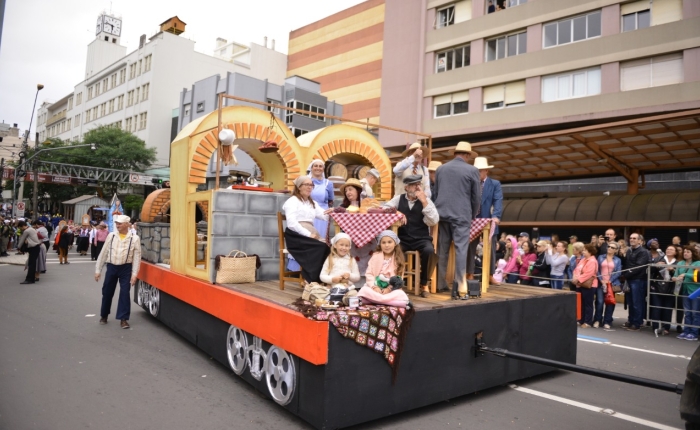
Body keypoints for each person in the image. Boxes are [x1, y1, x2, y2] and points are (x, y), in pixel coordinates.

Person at [434, 141, 480, 300]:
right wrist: (473, 214)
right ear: (467, 155)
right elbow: (476, 197)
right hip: (461, 214)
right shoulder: (472, 170)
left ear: (455, 153)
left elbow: (435, 193)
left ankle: (439, 283)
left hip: (442, 212)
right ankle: (461, 287)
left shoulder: (441, 169)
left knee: (442, 248)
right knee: (461, 250)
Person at [382, 174, 439, 297]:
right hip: (403, 238)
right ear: (406, 187)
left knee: (429, 251)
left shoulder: (426, 200)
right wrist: (396, 212)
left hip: (421, 238)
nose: (417, 188)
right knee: (392, 250)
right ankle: (395, 283)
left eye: (418, 184)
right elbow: (384, 208)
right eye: (413, 185)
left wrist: (424, 202)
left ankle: (424, 284)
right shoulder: (398, 199)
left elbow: (434, 220)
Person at [95, 214, 142, 329]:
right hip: (111, 266)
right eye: (116, 223)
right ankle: (104, 315)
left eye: (120, 223)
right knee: (107, 292)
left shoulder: (134, 238)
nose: (117, 225)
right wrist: (98, 270)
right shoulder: (111, 236)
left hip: (126, 268)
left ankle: (123, 318)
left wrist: (135, 274)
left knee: (125, 293)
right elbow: (103, 253)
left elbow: (137, 257)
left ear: (127, 224)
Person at [282, 176, 332, 284]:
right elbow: (292, 224)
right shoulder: (292, 201)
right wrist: (308, 234)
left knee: (329, 247)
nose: (310, 187)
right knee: (321, 247)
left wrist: (333, 212)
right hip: (295, 235)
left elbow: (324, 216)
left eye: (311, 185)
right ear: (299, 187)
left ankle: (317, 278)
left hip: (308, 233)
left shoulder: (312, 203)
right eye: (307, 185)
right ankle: (311, 279)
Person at [467, 157, 503, 285]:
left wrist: (496, 216)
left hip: (489, 219)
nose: (477, 174)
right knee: (470, 247)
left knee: (491, 247)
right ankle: (469, 273)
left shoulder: (495, 184)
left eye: (479, 171)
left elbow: (498, 201)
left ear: (486, 171)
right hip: (473, 220)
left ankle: (489, 275)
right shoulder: (471, 183)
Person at [358, 231, 410, 307]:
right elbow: (369, 274)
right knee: (364, 290)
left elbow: (399, 278)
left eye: (389, 242)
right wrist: (374, 287)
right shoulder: (375, 256)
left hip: (390, 289)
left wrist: (389, 289)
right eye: (384, 243)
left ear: (395, 243)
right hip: (376, 287)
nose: (386, 245)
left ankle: (373, 301)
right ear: (380, 244)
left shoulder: (398, 258)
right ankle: (388, 302)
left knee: (400, 294)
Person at [621, 233, 650, 332]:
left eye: (634, 238)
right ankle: (631, 320)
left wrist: (625, 275)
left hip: (638, 279)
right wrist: (625, 274)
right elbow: (627, 264)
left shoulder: (643, 252)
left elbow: (638, 267)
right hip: (629, 279)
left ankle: (637, 323)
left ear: (639, 241)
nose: (632, 239)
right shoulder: (629, 250)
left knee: (637, 302)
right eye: (631, 238)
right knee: (630, 302)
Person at [649, 245, 678, 335]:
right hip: (657, 286)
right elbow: (650, 271)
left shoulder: (678, 262)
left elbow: (679, 274)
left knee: (667, 309)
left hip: (671, 288)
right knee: (656, 307)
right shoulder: (659, 259)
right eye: (667, 249)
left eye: (671, 249)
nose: (669, 250)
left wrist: (673, 270)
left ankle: (666, 328)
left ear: (675, 252)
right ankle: (655, 327)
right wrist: (656, 266)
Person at [674, 246, 700, 341]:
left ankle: (694, 332)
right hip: (684, 290)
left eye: (688, 252)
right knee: (687, 312)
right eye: (684, 252)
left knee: (695, 313)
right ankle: (686, 330)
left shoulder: (698, 263)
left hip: (695, 291)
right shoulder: (680, 263)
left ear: (693, 253)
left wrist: (686, 275)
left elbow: (698, 276)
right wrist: (676, 278)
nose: (685, 253)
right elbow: (675, 275)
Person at [595, 240, 622, 329]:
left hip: (612, 283)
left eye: (612, 247)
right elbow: (597, 269)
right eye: (608, 247)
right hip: (601, 283)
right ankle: (597, 320)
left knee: (610, 303)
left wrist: (609, 281)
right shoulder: (600, 257)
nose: (609, 248)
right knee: (599, 302)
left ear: (616, 250)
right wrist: (601, 280)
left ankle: (607, 321)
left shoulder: (618, 260)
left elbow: (618, 272)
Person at [573, 244, 599, 328]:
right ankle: (581, 319)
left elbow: (589, 273)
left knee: (588, 304)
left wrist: (578, 280)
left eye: (585, 250)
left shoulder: (592, 261)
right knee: (581, 303)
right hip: (580, 284)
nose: (583, 251)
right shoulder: (583, 259)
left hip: (589, 285)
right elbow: (576, 269)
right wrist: (575, 277)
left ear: (590, 252)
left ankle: (587, 321)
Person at [307, 159, 334, 239]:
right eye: (315, 166)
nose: (318, 168)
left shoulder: (328, 183)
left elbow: (331, 199)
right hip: (308, 212)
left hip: (323, 213)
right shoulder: (306, 181)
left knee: (321, 237)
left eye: (320, 166)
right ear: (311, 168)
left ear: (323, 169)